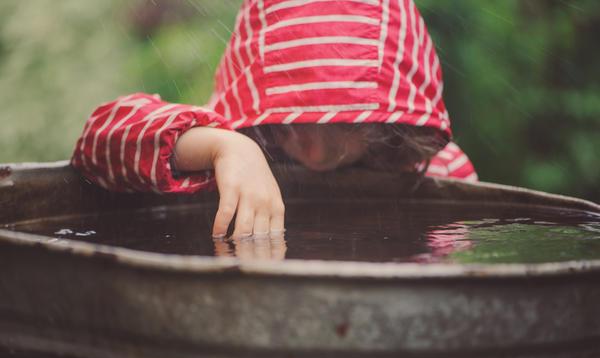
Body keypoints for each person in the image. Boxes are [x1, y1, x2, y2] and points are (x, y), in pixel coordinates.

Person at [72, 0, 477, 238]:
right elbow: (96, 142)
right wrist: (225, 146)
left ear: (391, 127)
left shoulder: (443, 174)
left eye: (342, 125)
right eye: (286, 126)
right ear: (261, 123)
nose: (312, 149)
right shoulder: (230, 162)